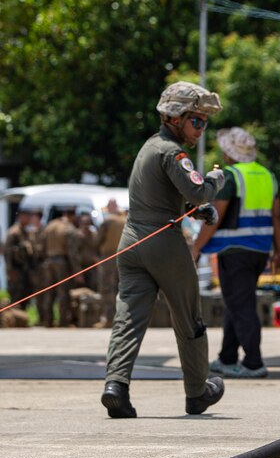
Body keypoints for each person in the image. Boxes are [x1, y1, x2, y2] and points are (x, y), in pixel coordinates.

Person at [101, 81, 227, 419]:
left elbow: (168, 195)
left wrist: (192, 206)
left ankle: (116, 386)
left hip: (131, 242)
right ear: (175, 119)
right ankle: (198, 392)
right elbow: (198, 192)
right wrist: (218, 179)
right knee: (189, 317)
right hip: (163, 242)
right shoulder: (173, 152)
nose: (201, 129)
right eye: (197, 121)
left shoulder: (149, 147)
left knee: (128, 318)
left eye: (204, 122)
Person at [191, 126, 280, 378]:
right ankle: (227, 357)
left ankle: (254, 363)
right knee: (237, 302)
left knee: (241, 305)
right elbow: (276, 217)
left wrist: (197, 247)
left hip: (234, 250)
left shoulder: (231, 176)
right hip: (260, 250)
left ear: (229, 152)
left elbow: (216, 215)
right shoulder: (267, 176)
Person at [38, 207, 81, 327]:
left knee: (49, 292)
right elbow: (72, 252)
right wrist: (77, 271)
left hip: (48, 261)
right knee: (63, 292)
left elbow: (40, 246)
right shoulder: (69, 228)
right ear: (71, 216)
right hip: (62, 262)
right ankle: (63, 321)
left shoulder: (49, 226)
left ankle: (48, 320)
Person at [94, 198, 127, 328]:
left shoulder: (108, 221)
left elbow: (97, 241)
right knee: (123, 290)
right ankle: (124, 320)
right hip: (125, 257)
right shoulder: (126, 220)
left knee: (107, 289)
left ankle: (109, 319)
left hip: (109, 258)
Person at [3, 208, 42, 310]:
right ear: (20, 217)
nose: (29, 219)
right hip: (16, 269)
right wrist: (9, 270)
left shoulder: (26, 232)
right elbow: (7, 252)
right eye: (27, 216)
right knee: (16, 295)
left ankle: (21, 318)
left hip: (24, 270)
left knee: (25, 294)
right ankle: (15, 318)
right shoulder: (14, 232)